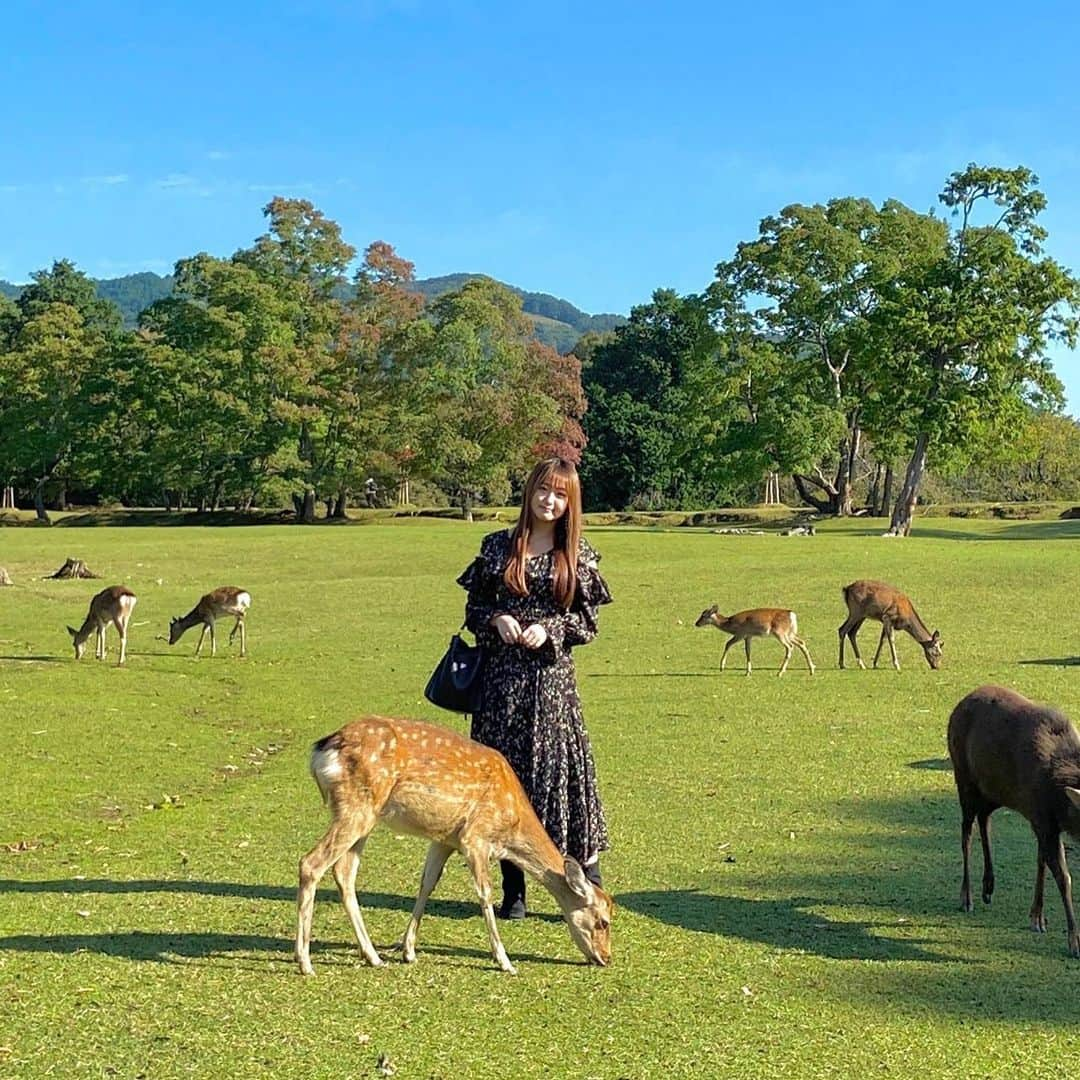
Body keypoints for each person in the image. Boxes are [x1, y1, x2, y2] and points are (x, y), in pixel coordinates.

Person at [456, 457, 612, 919]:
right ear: (529, 492)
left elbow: (587, 621)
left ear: (571, 502)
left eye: (561, 494)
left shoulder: (579, 555)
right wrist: (497, 619)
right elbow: (475, 606)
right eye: (544, 490)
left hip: (551, 688)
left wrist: (550, 630)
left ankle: (590, 883)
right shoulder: (497, 548)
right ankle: (513, 891)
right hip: (500, 685)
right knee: (501, 784)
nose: (550, 501)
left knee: (562, 779)